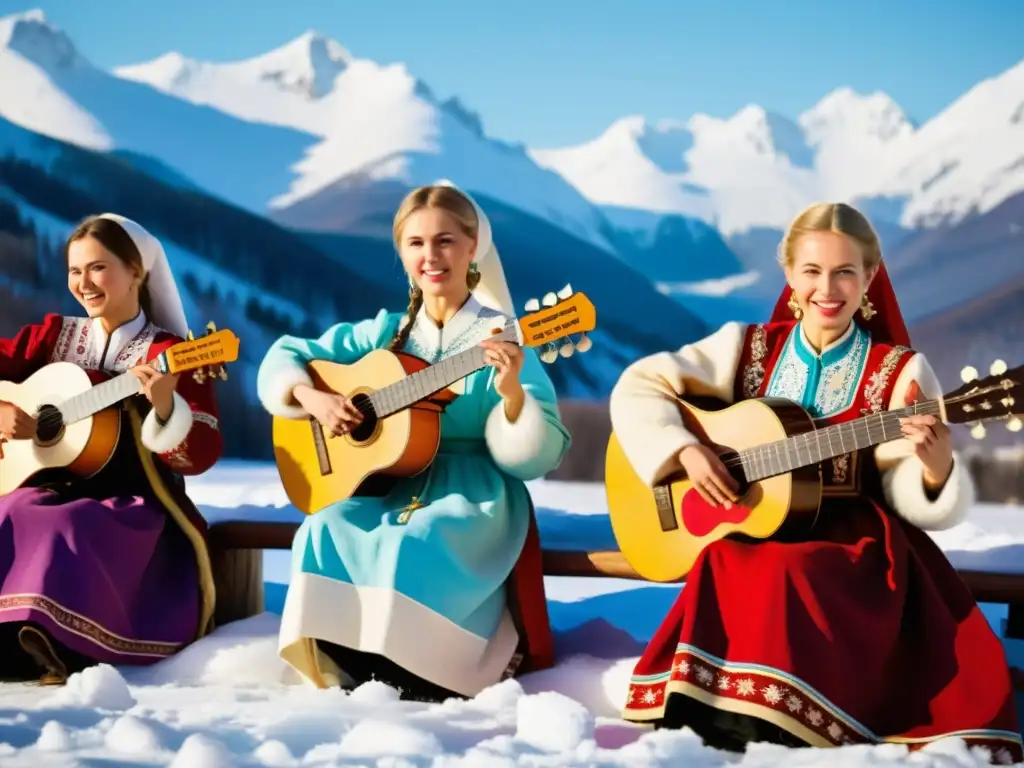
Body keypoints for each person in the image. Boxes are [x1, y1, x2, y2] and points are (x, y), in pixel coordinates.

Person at [608, 202, 1022, 762]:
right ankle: (716, 721)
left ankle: (772, 730)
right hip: (755, 524)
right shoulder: (746, 348)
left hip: (853, 541)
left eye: (845, 272)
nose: (827, 288)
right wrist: (683, 450)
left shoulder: (899, 370)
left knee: (789, 567)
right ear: (788, 275)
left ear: (870, 277)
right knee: (726, 559)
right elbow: (637, 385)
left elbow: (907, 489)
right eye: (812, 271)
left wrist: (934, 467)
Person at [257, 181, 571, 701]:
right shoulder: (383, 334)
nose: (431, 256)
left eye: (445, 241)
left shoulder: (506, 337)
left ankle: (431, 673)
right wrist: (310, 398)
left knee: (416, 540)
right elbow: (286, 353)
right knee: (325, 527)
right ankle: (354, 665)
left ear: (473, 248)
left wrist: (512, 393)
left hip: (473, 492)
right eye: (416, 243)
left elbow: (537, 455)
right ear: (401, 253)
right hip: (388, 485)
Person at [0, 214, 221, 685]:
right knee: (17, 505)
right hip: (45, 486)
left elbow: (199, 455)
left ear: (137, 272)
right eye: (75, 271)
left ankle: (52, 645)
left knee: (65, 520)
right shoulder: (52, 336)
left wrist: (166, 408)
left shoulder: (173, 352)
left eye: (99, 268)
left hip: (131, 507)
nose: (84, 283)